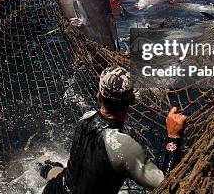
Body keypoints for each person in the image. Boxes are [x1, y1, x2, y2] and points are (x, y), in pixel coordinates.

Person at [40, 66, 186, 193]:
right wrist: (174, 136)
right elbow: (167, 185)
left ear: (99, 96)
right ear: (131, 102)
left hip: (54, 189)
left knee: (59, 172)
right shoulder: (122, 145)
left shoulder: (85, 118)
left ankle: (44, 166)